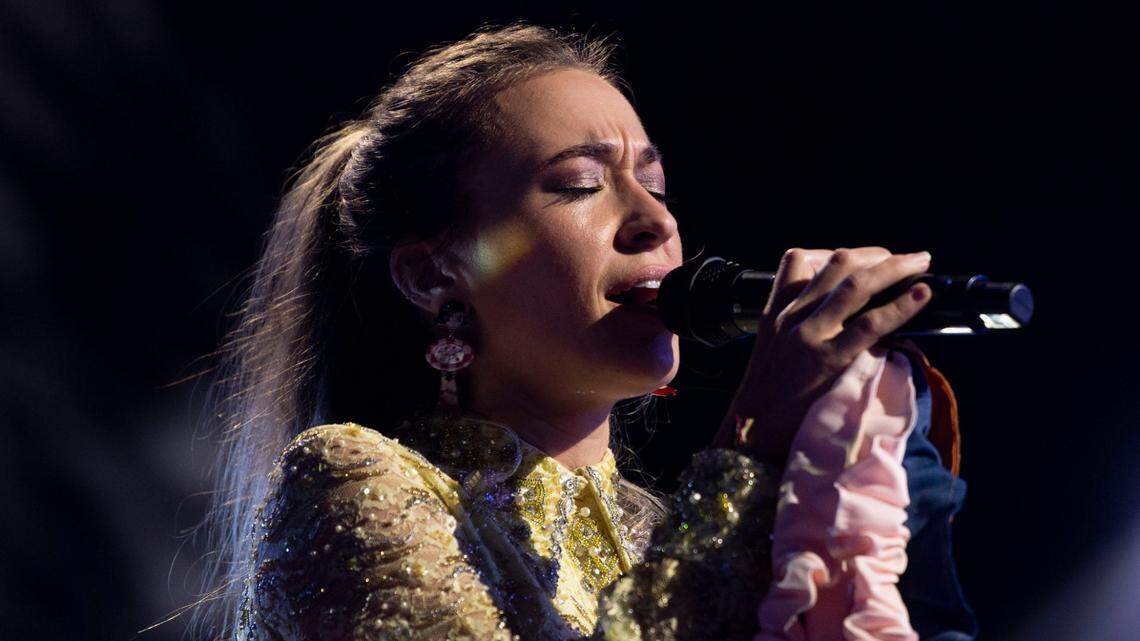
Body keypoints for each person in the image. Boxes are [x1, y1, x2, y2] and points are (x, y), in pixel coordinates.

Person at [190, 22, 976, 641]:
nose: (654, 220)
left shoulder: (673, 533)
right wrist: (753, 440)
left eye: (656, 183)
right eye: (580, 185)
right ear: (434, 275)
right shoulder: (353, 482)